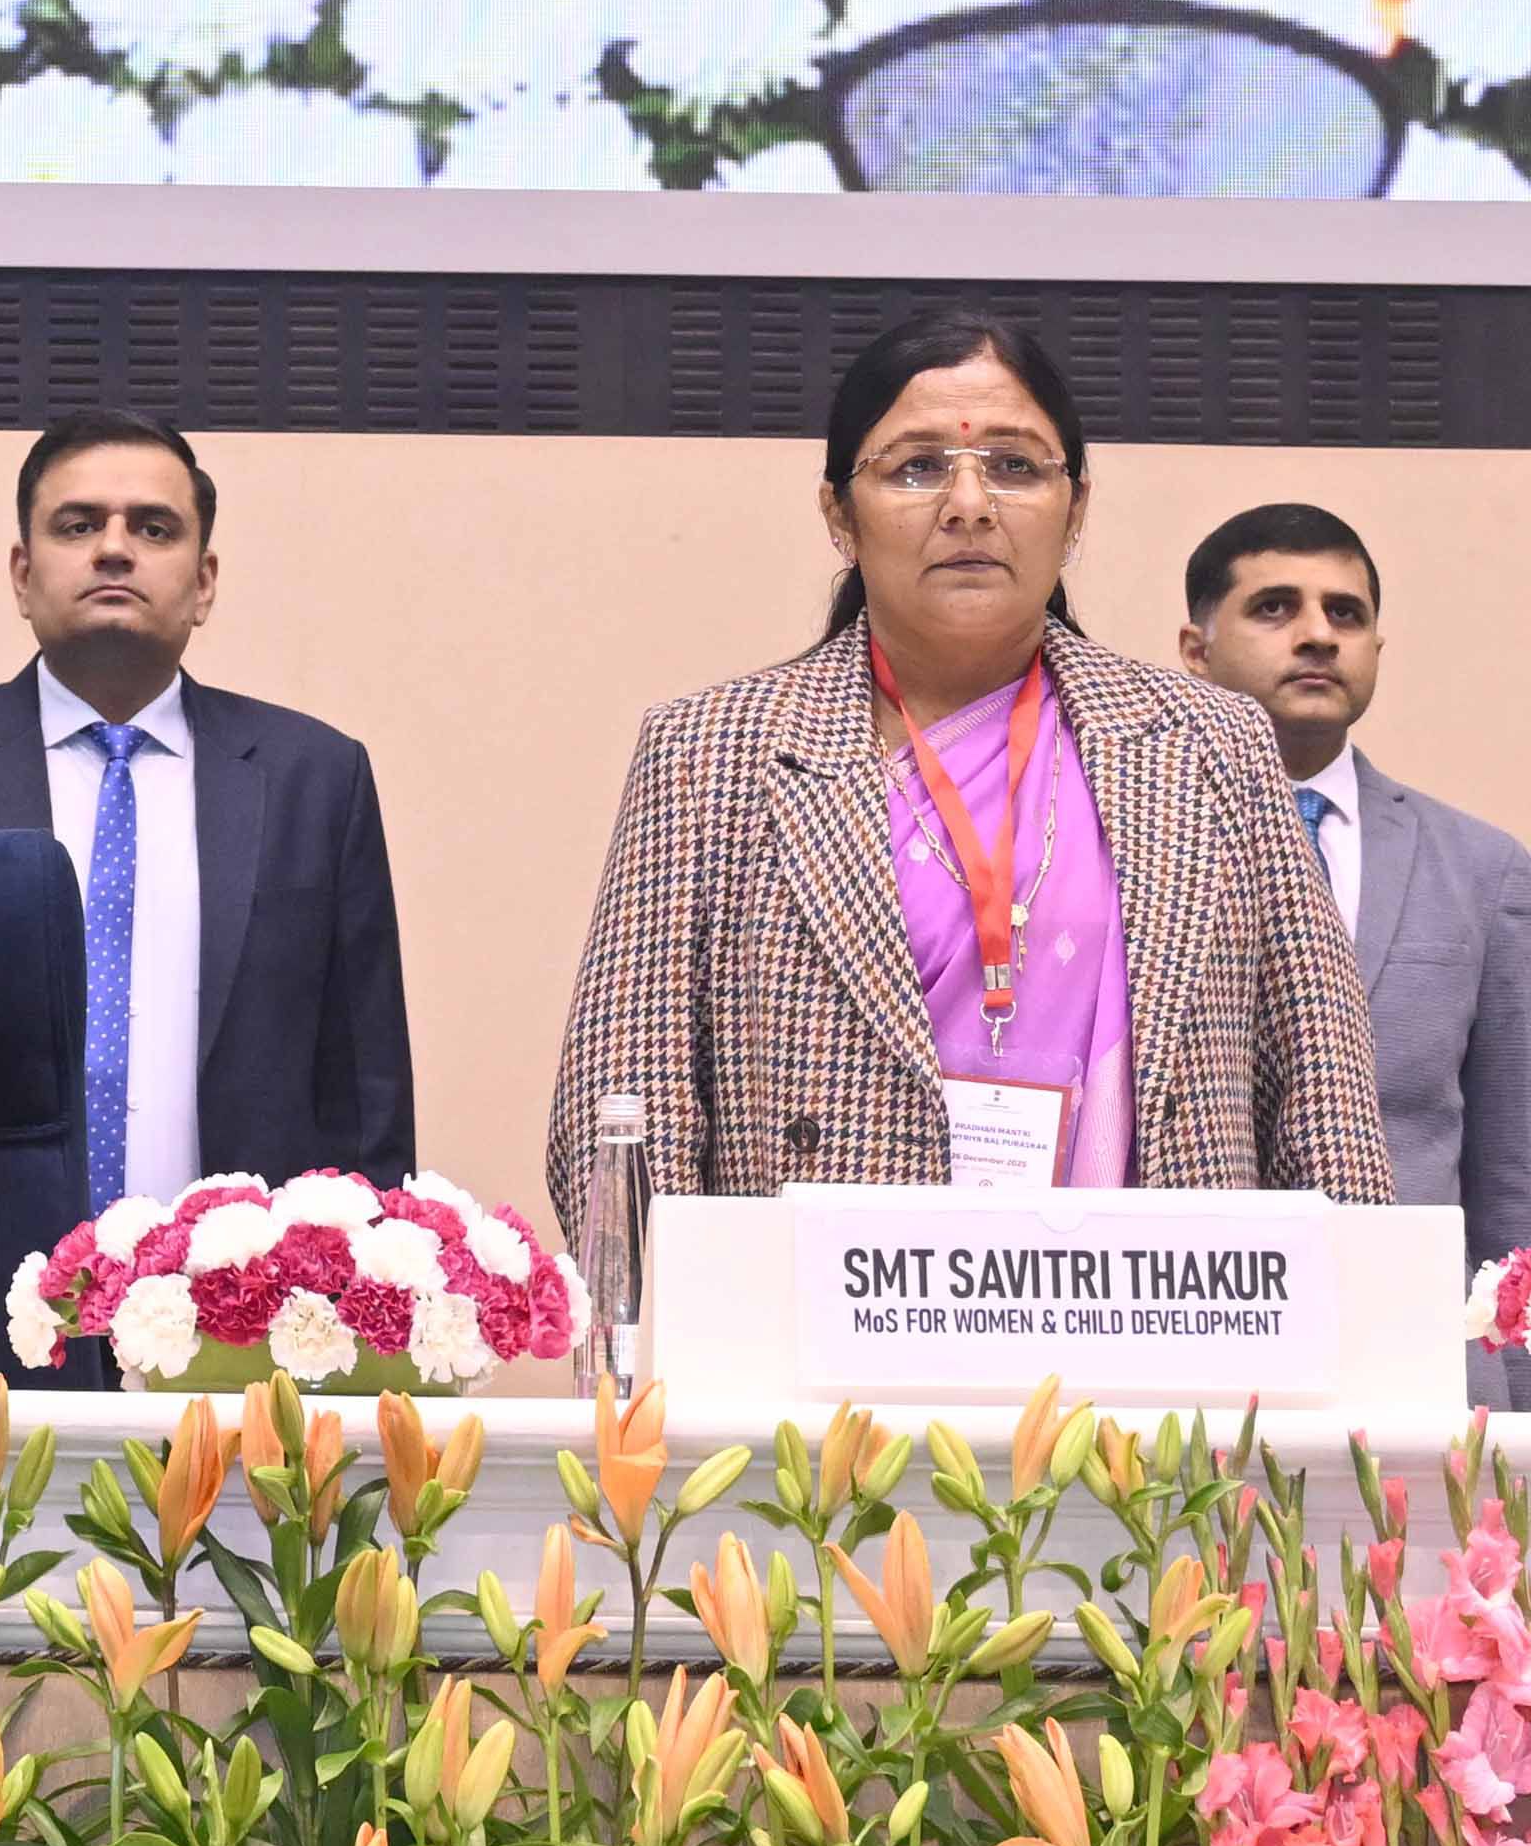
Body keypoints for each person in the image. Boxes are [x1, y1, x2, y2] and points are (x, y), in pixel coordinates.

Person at [548, 314, 1389, 1246]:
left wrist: (1356, 1310)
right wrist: (675, 1317)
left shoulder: (1209, 745)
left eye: (1015, 466)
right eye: (917, 468)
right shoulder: (712, 754)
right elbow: (622, 1107)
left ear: (1075, 510)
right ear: (840, 515)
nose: (969, 505)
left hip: (1156, 1312)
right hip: (818, 1318)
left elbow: (1323, 1095)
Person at [0, 412, 417, 1229]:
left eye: (154, 528)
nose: (114, 548)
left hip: (244, 1291)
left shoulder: (313, 779)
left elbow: (366, 1094)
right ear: (22, 575)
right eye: (78, 525)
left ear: (204, 583)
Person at [1183, 501, 1531, 1403]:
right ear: (1195, 652)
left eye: (1346, 613)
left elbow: (1511, 1178)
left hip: (1421, 1372)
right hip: (1189, 1350)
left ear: (1376, 646)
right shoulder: (1123, 853)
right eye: (1274, 608)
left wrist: (1516, 1401)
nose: (1318, 635)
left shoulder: (1481, 869)